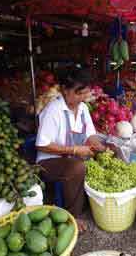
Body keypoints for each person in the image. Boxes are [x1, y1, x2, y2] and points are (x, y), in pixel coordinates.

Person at [35, 66, 105, 228]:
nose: (82, 98)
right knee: (77, 167)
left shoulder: (83, 109)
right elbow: (41, 145)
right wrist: (74, 150)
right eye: (78, 93)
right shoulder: (54, 110)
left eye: (84, 93)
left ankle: (94, 200)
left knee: (111, 150)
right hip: (49, 162)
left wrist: (96, 144)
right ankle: (72, 216)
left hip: (73, 157)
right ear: (65, 90)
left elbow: (90, 134)